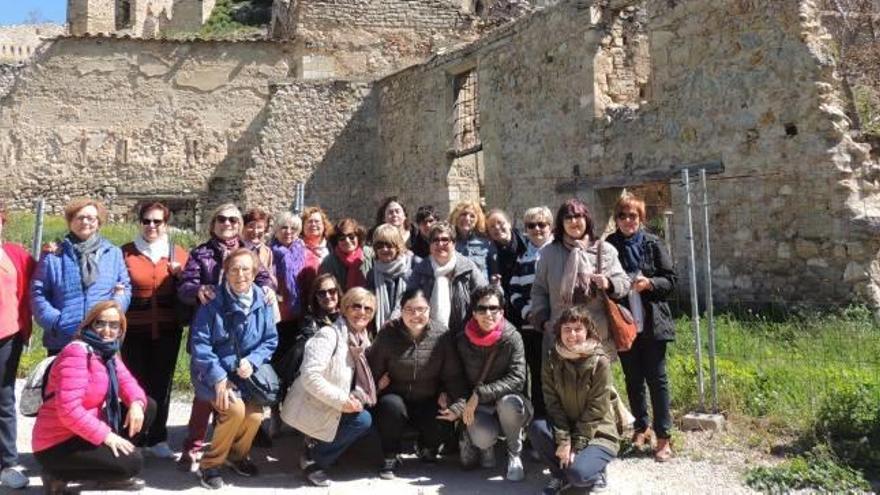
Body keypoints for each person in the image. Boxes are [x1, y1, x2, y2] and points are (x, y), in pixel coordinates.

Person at [176, 203, 277, 470]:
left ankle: (233, 451)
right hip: (213, 327)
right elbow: (185, 287)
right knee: (204, 399)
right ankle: (194, 447)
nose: (228, 223)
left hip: (243, 340)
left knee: (247, 410)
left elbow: (264, 278)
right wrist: (199, 289)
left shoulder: (248, 252)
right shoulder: (201, 253)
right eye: (221, 219)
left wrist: (266, 290)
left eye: (233, 219)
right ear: (213, 223)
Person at [33, 301, 156, 494]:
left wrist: (136, 404)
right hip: (57, 441)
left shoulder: (107, 353)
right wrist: (107, 436)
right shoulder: (76, 353)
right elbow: (69, 410)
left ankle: (106, 469)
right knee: (131, 464)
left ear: (120, 329)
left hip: (83, 430)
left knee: (148, 406)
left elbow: (128, 384)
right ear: (89, 324)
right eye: (100, 323)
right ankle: (57, 475)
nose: (107, 330)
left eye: (114, 325)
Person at [191, 249, 278, 490]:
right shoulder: (212, 303)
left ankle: (236, 456)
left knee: (255, 415)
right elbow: (200, 345)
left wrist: (253, 361)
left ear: (254, 272)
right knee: (235, 410)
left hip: (245, 372)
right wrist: (218, 378)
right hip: (212, 372)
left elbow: (270, 339)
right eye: (234, 269)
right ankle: (209, 464)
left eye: (246, 269)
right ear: (225, 273)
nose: (240, 275)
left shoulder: (263, 300)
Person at [282, 287, 377, 487]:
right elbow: (310, 376)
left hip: (337, 403)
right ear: (344, 308)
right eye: (356, 306)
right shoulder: (329, 335)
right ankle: (313, 457)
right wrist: (342, 401)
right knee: (363, 420)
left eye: (368, 309)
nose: (362, 312)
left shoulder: (363, 340)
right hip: (315, 404)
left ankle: (330, 447)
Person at [606, 193, 677, 462]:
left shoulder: (653, 243)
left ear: (641, 218)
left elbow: (671, 281)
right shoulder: (609, 245)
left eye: (632, 216)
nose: (627, 221)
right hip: (623, 322)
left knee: (657, 380)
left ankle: (663, 437)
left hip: (652, 322)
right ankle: (640, 427)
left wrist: (650, 283)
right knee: (632, 379)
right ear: (616, 220)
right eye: (622, 216)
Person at [367, 288, 464, 479]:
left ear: (429, 310)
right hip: (396, 396)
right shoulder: (388, 334)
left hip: (428, 396)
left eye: (421, 309)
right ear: (401, 311)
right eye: (409, 309)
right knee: (390, 407)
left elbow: (453, 375)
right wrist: (376, 388)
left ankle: (427, 447)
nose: (416, 315)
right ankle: (390, 454)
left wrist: (456, 403)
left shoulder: (441, 335)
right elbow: (372, 371)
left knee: (441, 414)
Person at [120, 202, 188, 460]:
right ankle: (132, 438)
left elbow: (191, 287)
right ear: (140, 222)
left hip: (167, 331)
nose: (151, 226)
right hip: (133, 331)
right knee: (132, 385)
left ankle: (157, 437)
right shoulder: (125, 253)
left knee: (161, 385)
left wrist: (180, 276)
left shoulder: (177, 254)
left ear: (165, 224)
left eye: (157, 222)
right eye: (147, 221)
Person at [446, 285, 531, 482]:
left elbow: (518, 378)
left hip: (508, 401)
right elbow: (454, 377)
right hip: (479, 406)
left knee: (509, 403)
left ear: (501, 311)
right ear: (474, 313)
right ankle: (484, 445)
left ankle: (514, 453)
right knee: (483, 437)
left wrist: (481, 393)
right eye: (482, 309)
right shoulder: (462, 340)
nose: (488, 313)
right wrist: (460, 404)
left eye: (494, 308)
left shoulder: (512, 338)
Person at [530, 306, 618, 495]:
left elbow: (597, 408)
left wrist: (577, 444)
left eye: (578, 329)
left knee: (578, 475)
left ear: (588, 331)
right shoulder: (551, 358)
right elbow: (552, 403)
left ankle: (597, 470)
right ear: (559, 332)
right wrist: (563, 440)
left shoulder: (600, 361)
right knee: (537, 428)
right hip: (566, 426)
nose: (572, 334)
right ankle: (559, 475)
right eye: (567, 329)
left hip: (598, 432)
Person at [530, 198, 631, 356]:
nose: (573, 221)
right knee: (560, 381)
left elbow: (624, 283)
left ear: (587, 219)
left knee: (597, 381)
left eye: (578, 216)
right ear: (561, 223)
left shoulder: (604, 250)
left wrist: (609, 283)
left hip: (596, 336)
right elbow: (539, 290)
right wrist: (543, 321)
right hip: (560, 335)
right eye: (568, 218)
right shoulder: (549, 253)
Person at [31, 198, 132, 355]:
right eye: (79, 217)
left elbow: (124, 287)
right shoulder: (54, 255)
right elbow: (38, 292)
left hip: (102, 338)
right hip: (63, 338)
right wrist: (56, 321)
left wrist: (112, 316)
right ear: (70, 221)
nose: (85, 222)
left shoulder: (113, 253)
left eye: (91, 218)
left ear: (98, 222)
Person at [0, 203, 36, 489]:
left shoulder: (14, 253)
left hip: (7, 336)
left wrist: (51, 253)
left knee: (3, 400)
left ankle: (8, 463)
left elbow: (39, 278)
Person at [507, 206, 554, 417]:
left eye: (541, 224)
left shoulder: (558, 252)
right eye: (531, 226)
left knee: (554, 376)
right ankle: (539, 422)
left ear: (550, 227)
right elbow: (514, 292)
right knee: (535, 374)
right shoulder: (523, 257)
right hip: (531, 326)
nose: (537, 229)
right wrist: (528, 313)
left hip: (556, 326)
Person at [408, 222, 486, 334]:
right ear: (429, 244)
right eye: (435, 240)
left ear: (454, 243)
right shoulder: (420, 269)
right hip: (427, 336)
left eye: (445, 240)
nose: (440, 244)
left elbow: (484, 296)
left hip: (463, 336)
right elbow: (408, 299)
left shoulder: (468, 268)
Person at [270, 211, 306, 360]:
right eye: (284, 227)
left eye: (294, 228)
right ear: (276, 230)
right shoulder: (268, 253)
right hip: (276, 315)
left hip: (299, 314)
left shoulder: (304, 253)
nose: (289, 232)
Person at [367, 223, 413, 330]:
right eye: (379, 245)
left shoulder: (412, 268)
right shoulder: (372, 274)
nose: (384, 249)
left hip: (408, 329)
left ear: (397, 246)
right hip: (381, 332)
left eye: (389, 245)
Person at [320, 218, 373, 292]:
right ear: (336, 241)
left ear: (358, 237)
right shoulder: (328, 262)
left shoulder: (370, 254)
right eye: (342, 238)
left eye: (351, 237)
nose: (347, 241)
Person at [449, 201, 497, 280]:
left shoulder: (486, 244)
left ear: (477, 220)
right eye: (463, 214)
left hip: (481, 290)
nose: (467, 218)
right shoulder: (446, 242)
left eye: (472, 216)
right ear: (456, 217)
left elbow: (494, 274)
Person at [486, 209, 527, 292]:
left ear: (509, 224)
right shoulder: (488, 254)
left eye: (500, 223)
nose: (497, 227)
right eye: (492, 226)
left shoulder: (527, 244)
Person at [298, 206, 334, 299]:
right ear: (302, 226)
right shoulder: (297, 248)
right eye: (309, 222)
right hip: (304, 298)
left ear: (324, 225)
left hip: (329, 297)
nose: (313, 224)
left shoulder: (332, 247)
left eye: (317, 221)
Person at [242, 208, 274, 280]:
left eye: (259, 227)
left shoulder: (267, 252)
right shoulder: (237, 249)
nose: (255, 231)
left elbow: (269, 277)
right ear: (243, 228)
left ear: (265, 229)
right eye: (251, 226)